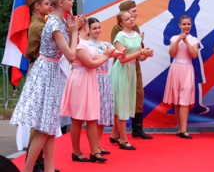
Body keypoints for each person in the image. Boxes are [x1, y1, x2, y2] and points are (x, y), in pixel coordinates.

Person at [10, 0, 81, 172]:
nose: (72, 2)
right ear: (61, 2)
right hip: (47, 73)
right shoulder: (55, 24)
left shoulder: (58, 22)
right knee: (43, 127)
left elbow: (68, 48)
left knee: (50, 126)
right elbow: (71, 55)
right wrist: (74, 32)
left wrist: (72, 31)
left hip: (50, 72)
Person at [61, 18, 117, 163]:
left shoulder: (84, 42)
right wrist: (106, 55)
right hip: (80, 80)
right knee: (78, 119)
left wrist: (109, 54)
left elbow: (95, 57)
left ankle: (94, 151)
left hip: (89, 80)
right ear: (84, 27)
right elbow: (90, 63)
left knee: (92, 117)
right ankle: (76, 152)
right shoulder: (77, 43)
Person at [109, 11, 154, 151]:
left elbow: (139, 58)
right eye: (127, 18)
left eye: (131, 17)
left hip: (131, 71)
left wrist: (146, 54)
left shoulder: (136, 36)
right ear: (121, 23)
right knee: (121, 104)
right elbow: (122, 59)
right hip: (121, 71)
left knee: (124, 103)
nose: (131, 19)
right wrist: (141, 52)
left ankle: (114, 134)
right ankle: (123, 140)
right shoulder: (119, 36)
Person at [23, 0, 51, 172]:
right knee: (39, 118)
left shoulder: (42, 24)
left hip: (42, 68)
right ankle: (33, 163)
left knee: (42, 118)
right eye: (47, 4)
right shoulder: (38, 26)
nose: (50, 7)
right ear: (37, 6)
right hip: (39, 69)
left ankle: (38, 162)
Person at [163, 15, 201, 139]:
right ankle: (180, 129)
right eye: (184, 24)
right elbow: (171, 53)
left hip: (187, 69)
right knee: (177, 100)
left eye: (188, 24)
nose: (186, 26)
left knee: (184, 99)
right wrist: (179, 40)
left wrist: (186, 42)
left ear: (191, 25)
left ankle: (184, 129)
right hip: (175, 68)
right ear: (179, 25)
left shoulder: (194, 39)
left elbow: (194, 55)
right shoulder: (174, 38)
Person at [87, 17, 116, 156]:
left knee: (104, 113)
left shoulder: (106, 44)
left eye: (99, 27)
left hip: (105, 79)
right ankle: (94, 147)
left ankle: (98, 144)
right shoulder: (87, 45)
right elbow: (91, 60)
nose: (97, 30)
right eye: (94, 28)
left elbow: (118, 55)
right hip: (94, 78)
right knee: (96, 115)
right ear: (88, 30)